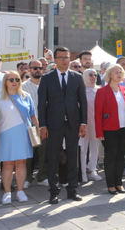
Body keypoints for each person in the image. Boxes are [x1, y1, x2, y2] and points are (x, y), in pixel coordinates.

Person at [37, 47, 88, 204]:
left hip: (73, 123)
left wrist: (83, 122)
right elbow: (41, 104)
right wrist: (43, 125)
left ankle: (72, 189)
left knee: (73, 156)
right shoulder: (47, 78)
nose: (65, 60)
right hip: (53, 124)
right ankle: (53, 191)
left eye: (67, 57)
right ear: (55, 60)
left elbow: (83, 102)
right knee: (53, 157)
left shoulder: (77, 77)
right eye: (61, 57)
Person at [0, 71, 38, 204]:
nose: (14, 82)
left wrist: (37, 130)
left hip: (23, 134)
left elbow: (33, 116)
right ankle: (7, 193)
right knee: (7, 164)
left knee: (21, 163)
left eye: (17, 79)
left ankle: (20, 191)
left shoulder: (26, 96)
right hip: (5, 134)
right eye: (11, 79)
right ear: (5, 82)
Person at [95, 64, 125, 195]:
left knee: (121, 157)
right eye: (116, 72)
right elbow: (97, 113)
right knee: (110, 156)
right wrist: (99, 132)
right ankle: (111, 185)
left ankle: (119, 183)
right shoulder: (102, 91)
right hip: (109, 129)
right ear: (109, 75)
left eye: (120, 72)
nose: (119, 74)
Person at [22, 60, 48, 187]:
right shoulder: (23, 86)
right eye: (34, 68)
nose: (38, 70)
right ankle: (27, 178)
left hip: (45, 124)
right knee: (29, 153)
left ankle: (42, 177)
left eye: (40, 67)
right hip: (30, 125)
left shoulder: (47, 83)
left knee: (44, 152)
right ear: (29, 69)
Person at [80, 69, 102, 183]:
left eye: (95, 75)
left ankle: (92, 170)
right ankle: (83, 172)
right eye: (90, 75)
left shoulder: (100, 90)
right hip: (83, 124)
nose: (93, 77)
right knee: (83, 150)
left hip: (96, 124)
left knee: (94, 148)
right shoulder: (81, 90)